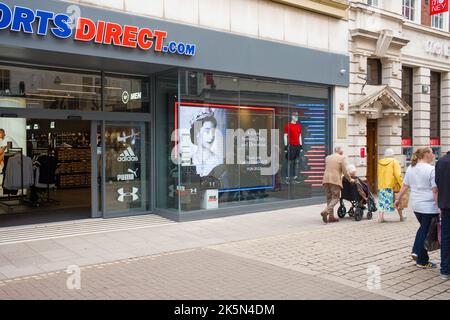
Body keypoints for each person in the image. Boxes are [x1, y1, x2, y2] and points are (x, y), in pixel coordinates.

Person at [395, 147, 439, 269]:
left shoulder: (411, 168)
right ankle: (417, 253)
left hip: (416, 205)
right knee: (425, 231)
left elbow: (405, 186)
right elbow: (435, 190)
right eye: (432, 153)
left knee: (423, 229)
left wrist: (397, 199)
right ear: (426, 154)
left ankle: (422, 259)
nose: (434, 155)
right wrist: (439, 206)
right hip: (429, 206)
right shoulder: (431, 169)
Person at [321, 146, 353, 224]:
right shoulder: (342, 158)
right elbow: (345, 172)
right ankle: (326, 211)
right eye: (342, 151)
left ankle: (331, 217)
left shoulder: (328, 157)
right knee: (336, 197)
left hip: (326, 179)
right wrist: (350, 179)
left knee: (329, 198)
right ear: (340, 152)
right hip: (334, 180)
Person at [190, 111, 223, 177]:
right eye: (207, 131)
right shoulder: (191, 160)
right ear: (197, 133)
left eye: (213, 132)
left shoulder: (218, 162)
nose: (211, 136)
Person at [377, 149, 404, 223]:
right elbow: (397, 174)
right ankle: (401, 217)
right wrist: (402, 184)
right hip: (393, 185)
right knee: (397, 200)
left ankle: (381, 217)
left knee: (382, 202)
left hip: (382, 184)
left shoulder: (380, 162)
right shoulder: (394, 161)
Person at [435, 149, 450, 280]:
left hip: (445, 205)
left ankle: (445, 270)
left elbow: (437, 182)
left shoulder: (441, 161)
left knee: (446, 238)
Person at [283, 111, 303, 184]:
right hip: (291, 145)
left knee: (296, 162)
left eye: (297, 116)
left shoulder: (298, 126)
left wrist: (301, 146)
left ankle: (295, 177)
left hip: (297, 146)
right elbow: (285, 136)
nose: (296, 117)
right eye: (295, 116)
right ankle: (287, 178)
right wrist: (285, 146)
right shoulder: (288, 125)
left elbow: (300, 136)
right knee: (289, 162)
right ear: (292, 116)